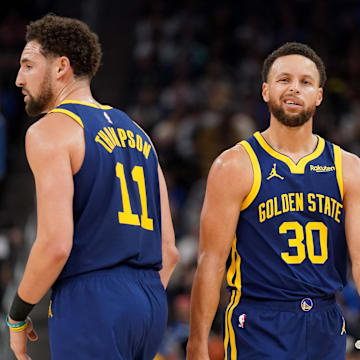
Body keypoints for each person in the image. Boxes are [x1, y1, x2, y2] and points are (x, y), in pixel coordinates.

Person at [7, 14, 179, 360]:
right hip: (149, 302)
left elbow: (55, 244)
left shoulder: (49, 130)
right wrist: (132, 298)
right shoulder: (139, 134)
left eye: (28, 65)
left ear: (61, 68)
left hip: (92, 298)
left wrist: (16, 315)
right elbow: (169, 250)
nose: (18, 79)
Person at [186, 42, 360, 359]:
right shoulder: (235, 165)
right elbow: (211, 261)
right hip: (258, 320)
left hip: (325, 319)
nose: (294, 89)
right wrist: (196, 344)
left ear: (319, 95)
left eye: (306, 82)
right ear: (266, 90)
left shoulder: (348, 168)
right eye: (284, 80)